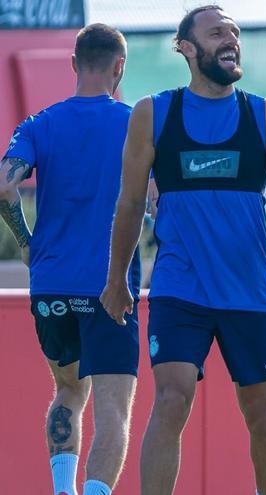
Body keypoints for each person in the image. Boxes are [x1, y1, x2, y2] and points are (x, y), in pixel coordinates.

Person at [99, 6, 266, 495]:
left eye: (235, 31)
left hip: (249, 290)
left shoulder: (265, 114)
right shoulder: (153, 113)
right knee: (171, 400)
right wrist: (117, 279)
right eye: (216, 32)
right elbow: (129, 202)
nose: (231, 39)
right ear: (186, 48)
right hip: (178, 287)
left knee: (265, 416)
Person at [0, 24, 137, 495]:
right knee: (114, 408)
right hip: (110, 283)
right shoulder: (135, 122)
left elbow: (3, 183)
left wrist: (25, 239)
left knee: (68, 392)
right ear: (120, 67)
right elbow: (159, 200)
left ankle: (63, 491)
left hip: (51, 282)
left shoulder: (39, 123)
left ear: (74, 64)